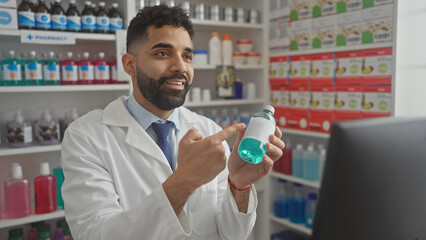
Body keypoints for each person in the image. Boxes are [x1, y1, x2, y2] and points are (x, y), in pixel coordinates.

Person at [61, 5, 284, 240]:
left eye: (187, 56)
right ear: (130, 64)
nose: (180, 67)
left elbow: (231, 234)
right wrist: (184, 181)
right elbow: (93, 234)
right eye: (162, 53)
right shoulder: (86, 136)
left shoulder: (209, 131)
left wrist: (239, 186)